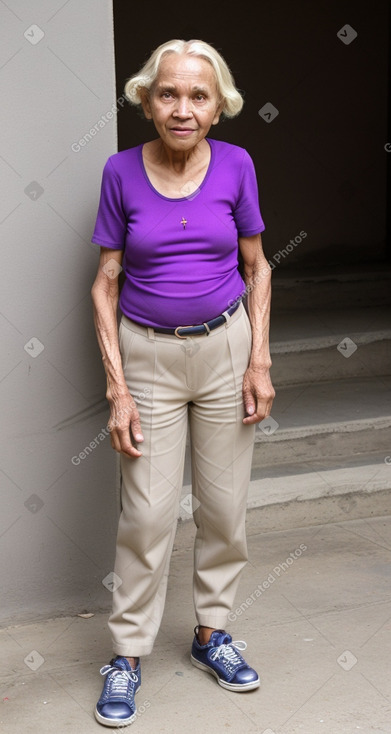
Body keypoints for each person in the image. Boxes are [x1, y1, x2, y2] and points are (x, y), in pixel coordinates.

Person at [90, 38, 275, 728]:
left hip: (226, 351)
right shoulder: (119, 172)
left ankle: (210, 636)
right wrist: (118, 387)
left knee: (224, 510)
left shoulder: (236, 165)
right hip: (146, 356)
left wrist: (258, 360)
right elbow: (104, 283)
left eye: (198, 95)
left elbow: (258, 267)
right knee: (145, 514)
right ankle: (127, 654)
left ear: (217, 106)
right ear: (146, 99)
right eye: (168, 93)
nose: (181, 108)